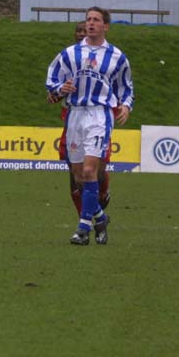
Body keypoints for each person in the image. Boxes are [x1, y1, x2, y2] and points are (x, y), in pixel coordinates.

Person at [45, 7, 133, 245]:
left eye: (96, 20)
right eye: (88, 19)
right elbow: (52, 78)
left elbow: (126, 87)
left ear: (106, 26)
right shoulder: (70, 54)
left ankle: (83, 229)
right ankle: (100, 218)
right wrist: (59, 89)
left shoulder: (116, 56)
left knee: (89, 170)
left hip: (99, 115)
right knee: (78, 177)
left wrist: (125, 105)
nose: (91, 23)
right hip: (74, 115)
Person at [47, 22, 112, 216]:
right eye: (78, 31)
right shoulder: (69, 60)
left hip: (97, 120)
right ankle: (86, 219)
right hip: (72, 120)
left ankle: (102, 194)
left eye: (84, 30)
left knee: (95, 171)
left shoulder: (105, 61)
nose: (81, 33)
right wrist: (56, 93)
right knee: (75, 178)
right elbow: (53, 92)